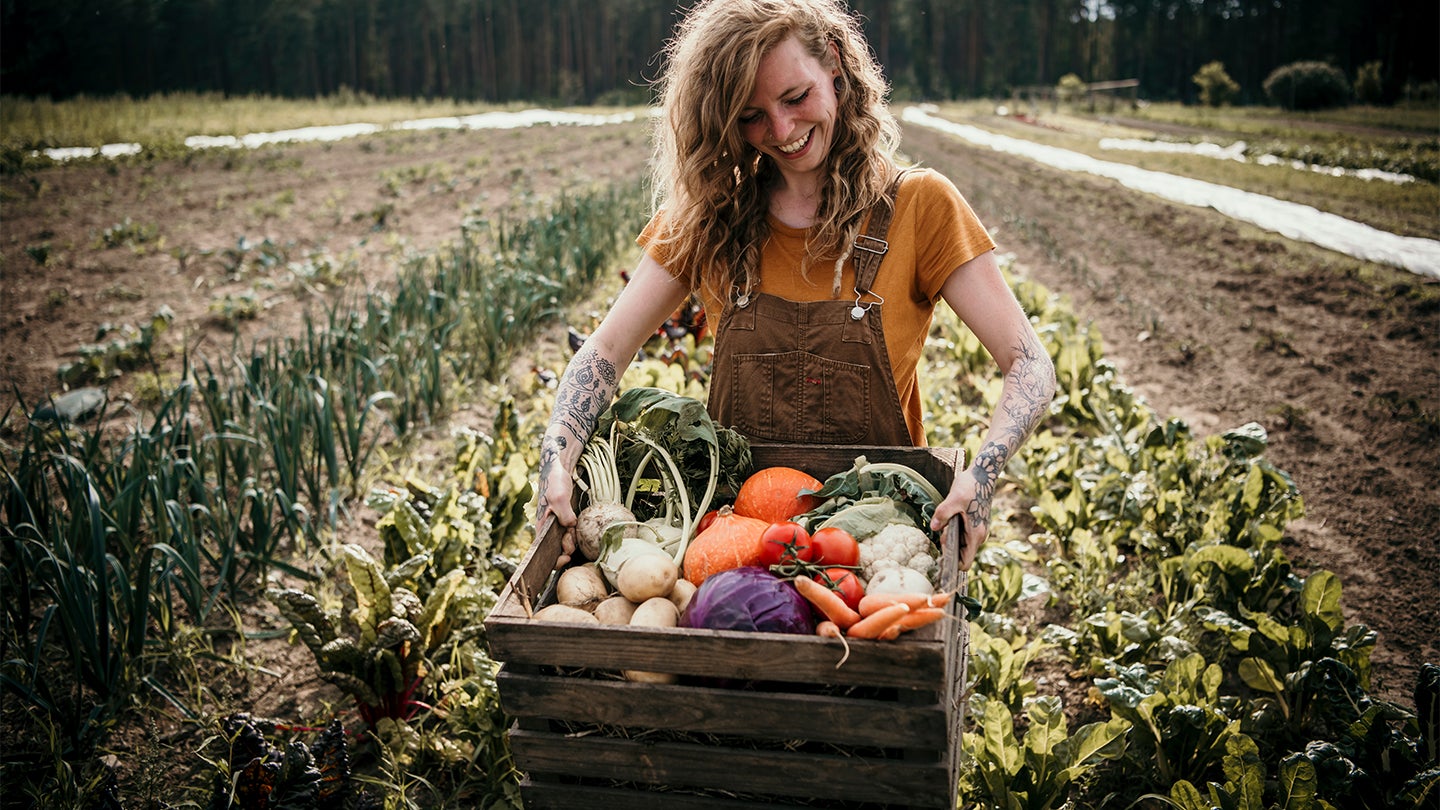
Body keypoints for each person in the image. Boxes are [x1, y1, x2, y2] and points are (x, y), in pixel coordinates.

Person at [536, 0, 1056, 571]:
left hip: (874, 548)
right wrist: (558, 449)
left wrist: (981, 476)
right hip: (736, 543)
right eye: (751, 115)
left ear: (834, 65)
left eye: (795, 98)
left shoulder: (918, 206)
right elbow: (606, 351)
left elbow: (1028, 361)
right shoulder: (710, 218)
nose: (782, 131)